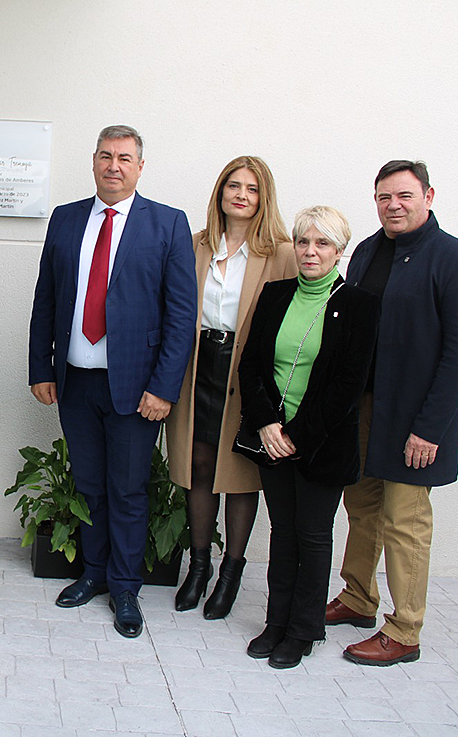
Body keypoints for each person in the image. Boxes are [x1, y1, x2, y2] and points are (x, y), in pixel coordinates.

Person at [29, 125, 196, 638]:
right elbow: (47, 298)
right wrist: (41, 367)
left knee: (127, 490)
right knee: (89, 485)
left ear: (140, 167)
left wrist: (165, 388)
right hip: (75, 381)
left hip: (136, 389)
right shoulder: (66, 219)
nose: (114, 166)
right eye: (106, 156)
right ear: (94, 161)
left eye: (125, 158)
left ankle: (125, 586)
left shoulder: (167, 225)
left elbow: (180, 316)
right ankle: (94, 574)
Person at [326, 161, 458, 666]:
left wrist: (429, 427)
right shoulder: (370, 251)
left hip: (414, 420)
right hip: (363, 410)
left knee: (405, 520)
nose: (393, 205)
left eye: (404, 195)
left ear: (428, 195)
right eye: (383, 197)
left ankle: (405, 629)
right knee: (362, 509)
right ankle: (357, 599)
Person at [237, 206, 379, 668]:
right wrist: (266, 425)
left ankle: (303, 631)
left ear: (340, 251)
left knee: (313, 537)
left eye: (322, 243)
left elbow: (347, 387)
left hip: (321, 444)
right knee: (282, 534)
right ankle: (275, 623)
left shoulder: (358, 305)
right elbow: (252, 364)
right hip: (271, 438)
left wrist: (296, 435)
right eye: (303, 242)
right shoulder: (276, 294)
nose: (310, 251)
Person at [164, 156, 298, 619]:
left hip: (247, 373)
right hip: (198, 366)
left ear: (264, 198)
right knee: (199, 466)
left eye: (252, 188)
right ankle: (197, 568)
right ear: (220, 192)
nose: (241, 195)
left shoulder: (280, 252)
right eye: (233, 186)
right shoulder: (195, 244)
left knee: (241, 476)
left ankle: (231, 572)